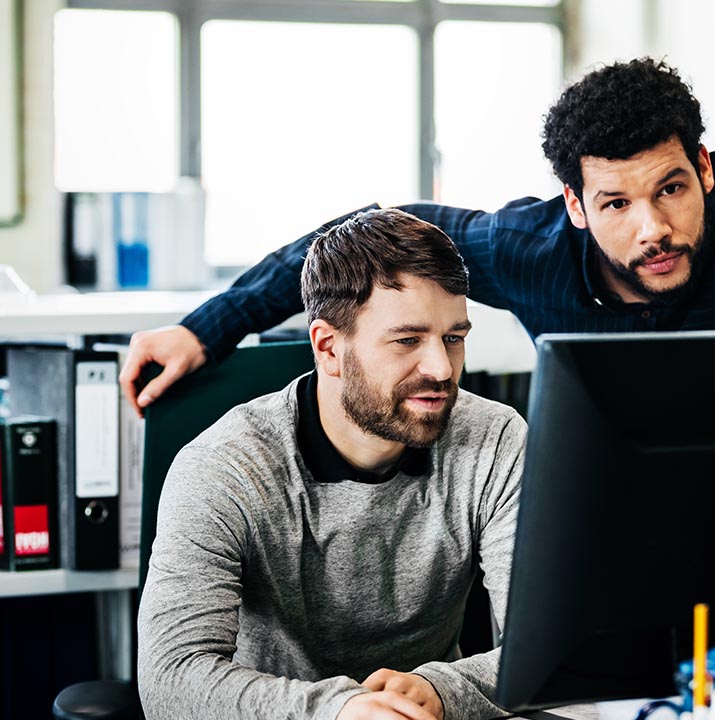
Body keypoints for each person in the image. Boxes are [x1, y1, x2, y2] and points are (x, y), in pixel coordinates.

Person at [120, 58, 715, 416]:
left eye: (672, 189)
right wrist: (205, 328)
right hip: (608, 491)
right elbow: (359, 234)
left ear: (704, 169)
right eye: (616, 203)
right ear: (576, 205)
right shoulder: (529, 248)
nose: (653, 229)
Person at [137, 208, 526, 720]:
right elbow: (170, 679)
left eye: (453, 338)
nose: (441, 368)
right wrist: (341, 711)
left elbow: (549, 647)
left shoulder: (496, 439)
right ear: (328, 348)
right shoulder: (224, 467)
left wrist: (438, 690)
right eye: (407, 340)